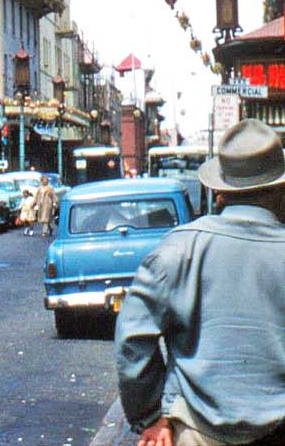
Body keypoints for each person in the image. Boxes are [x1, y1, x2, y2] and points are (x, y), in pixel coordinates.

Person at [115, 119, 285, 445]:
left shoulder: (178, 248)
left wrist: (151, 416)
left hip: (199, 430)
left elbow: (132, 340)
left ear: (220, 191)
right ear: (281, 189)